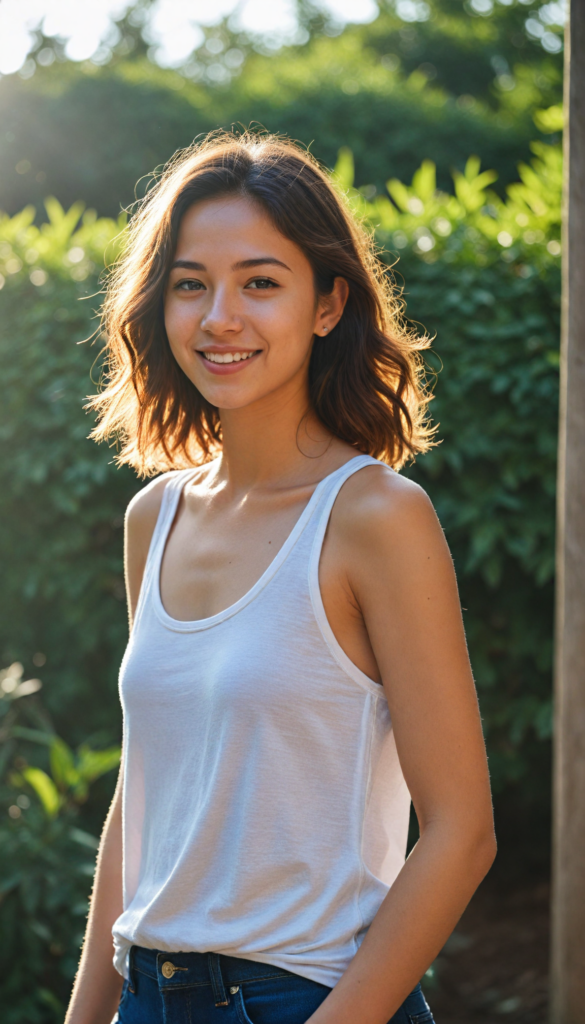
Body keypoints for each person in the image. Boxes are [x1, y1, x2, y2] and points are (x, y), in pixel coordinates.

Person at [64, 132, 496, 1024]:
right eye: (191, 284)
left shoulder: (375, 517)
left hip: (302, 998)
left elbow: (460, 834)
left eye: (260, 283)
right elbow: (144, 798)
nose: (220, 316)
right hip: (146, 993)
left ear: (328, 304)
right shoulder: (155, 518)